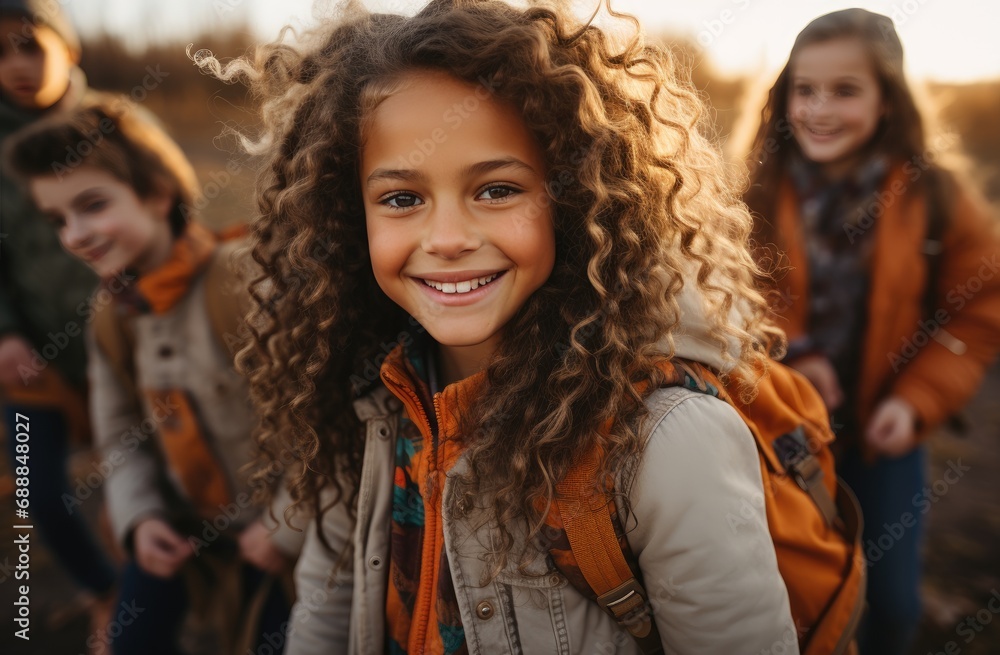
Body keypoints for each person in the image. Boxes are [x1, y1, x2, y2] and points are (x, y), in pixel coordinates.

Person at [198, 2, 806, 653]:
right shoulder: (365, 405)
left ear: (570, 199)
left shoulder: (666, 442)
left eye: (497, 190)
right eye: (402, 198)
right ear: (353, 217)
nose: (449, 239)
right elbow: (324, 619)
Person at [4, 97, 304, 654]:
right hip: (186, 533)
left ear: (160, 193)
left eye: (92, 205)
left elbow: (326, 415)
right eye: (58, 220)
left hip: (294, 541)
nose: (74, 234)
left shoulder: (243, 281)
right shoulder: (109, 316)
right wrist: (139, 517)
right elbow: (118, 431)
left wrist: (288, 523)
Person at [742, 8, 1000, 654]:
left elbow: (980, 305)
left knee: (890, 604)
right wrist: (792, 352)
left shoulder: (934, 195)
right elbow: (729, 300)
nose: (820, 108)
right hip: (777, 432)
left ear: (888, 100)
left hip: (885, 431)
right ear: (784, 97)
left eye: (845, 91)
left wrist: (916, 400)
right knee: (788, 593)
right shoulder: (753, 194)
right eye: (805, 90)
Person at [0, 0, 117, 641]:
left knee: (150, 489)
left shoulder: (112, 127)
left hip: (124, 349)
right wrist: (5, 335)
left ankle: (149, 605)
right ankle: (103, 592)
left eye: (28, 44)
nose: (15, 65)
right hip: (30, 360)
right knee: (37, 491)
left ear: (65, 48)